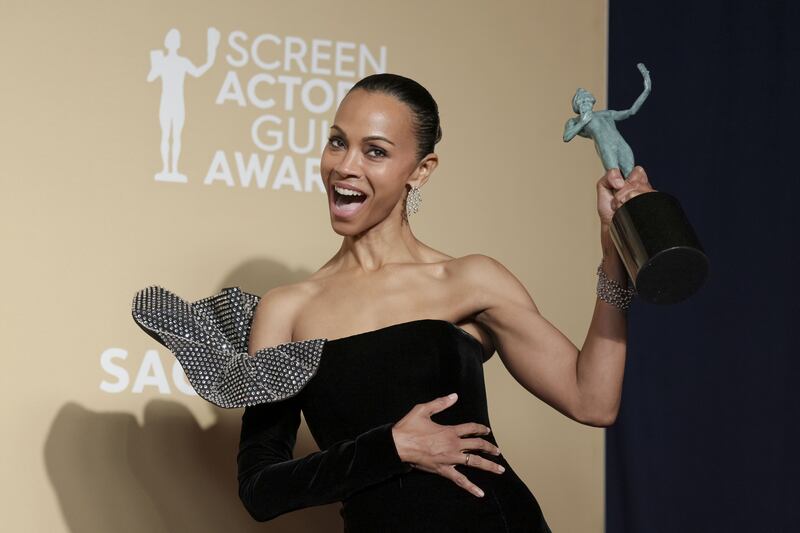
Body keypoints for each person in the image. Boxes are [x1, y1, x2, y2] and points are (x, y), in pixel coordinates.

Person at [131, 73, 655, 532]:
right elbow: (260, 490)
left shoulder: (469, 278)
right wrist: (390, 449)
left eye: (375, 151)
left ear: (420, 171)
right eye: (337, 142)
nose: (345, 166)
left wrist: (614, 256)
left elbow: (593, 400)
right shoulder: (287, 308)